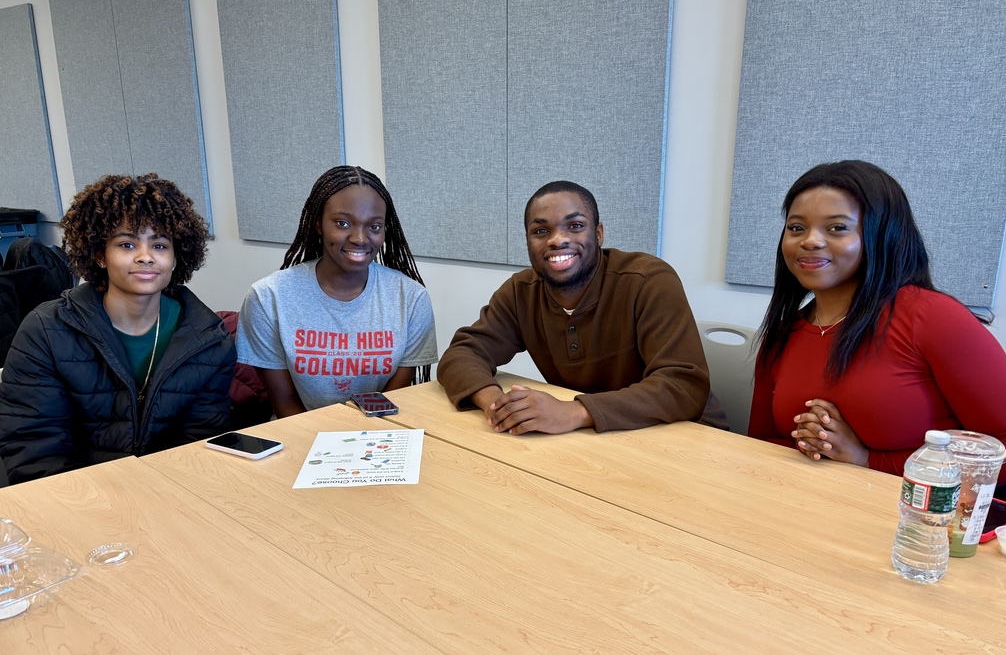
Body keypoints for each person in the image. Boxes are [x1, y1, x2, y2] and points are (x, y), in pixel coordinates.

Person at [748, 160, 1006, 486]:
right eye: (796, 228)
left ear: (883, 235)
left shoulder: (933, 317)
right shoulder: (784, 332)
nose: (810, 241)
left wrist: (866, 460)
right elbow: (760, 446)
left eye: (836, 228)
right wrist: (811, 446)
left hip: (917, 524)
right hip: (807, 509)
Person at [437, 180, 726, 435]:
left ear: (598, 234)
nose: (557, 239)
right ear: (528, 241)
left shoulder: (648, 281)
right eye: (540, 230)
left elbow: (683, 386)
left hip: (685, 436)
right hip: (594, 439)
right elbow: (462, 354)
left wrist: (573, 412)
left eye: (575, 226)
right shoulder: (520, 291)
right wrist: (496, 404)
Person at [0, 174, 235, 485]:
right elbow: (34, 450)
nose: (145, 256)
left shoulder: (210, 340)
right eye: (127, 244)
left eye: (160, 244)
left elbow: (201, 445)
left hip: (169, 493)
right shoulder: (45, 332)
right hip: (74, 497)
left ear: (176, 257)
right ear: (99, 255)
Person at [236, 166, 437, 417]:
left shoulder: (410, 298)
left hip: (379, 433)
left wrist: (358, 442)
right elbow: (285, 402)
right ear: (318, 223)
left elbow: (389, 401)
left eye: (374, 226)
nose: (360, 238)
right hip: (297, 432)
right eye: (343, 223)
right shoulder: (268, 298)